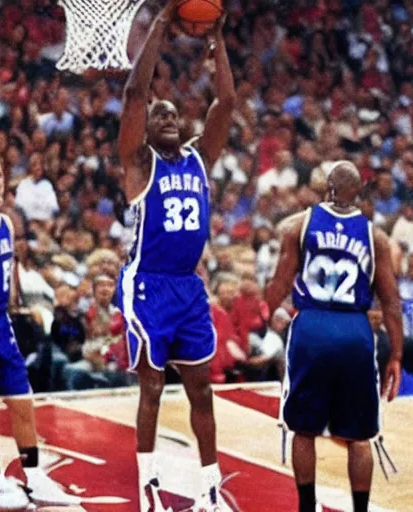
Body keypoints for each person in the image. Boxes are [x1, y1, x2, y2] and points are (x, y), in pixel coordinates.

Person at [117, 0, 235, 509]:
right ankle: (149, 483)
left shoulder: (198, 158)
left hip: (187, 286)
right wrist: (163, 25)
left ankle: (210, 485)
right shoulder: (138, 163)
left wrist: (218, 40)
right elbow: (134, 93)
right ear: (145, 127)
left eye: (172, 113)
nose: (166, 116)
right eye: (157, 114)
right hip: (147, 283)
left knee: (202, 390)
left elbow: (225, 103)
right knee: (152, 388)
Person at [265, 161, 403, 512]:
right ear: (357, 193)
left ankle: (307, 507)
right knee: (359, 437)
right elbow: (391, 301)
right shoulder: (376, 237)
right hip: (354, 332)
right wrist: (397, 355)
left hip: (311, 327)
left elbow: (279, 283)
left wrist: (269, 314)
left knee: (303, 430)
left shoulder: (300, 225)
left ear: (327, 187)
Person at [0, 147, 79, 508]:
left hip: (2, 322)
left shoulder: (7, 224)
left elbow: (8, 278)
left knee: (24, 402)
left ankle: (35, 478)